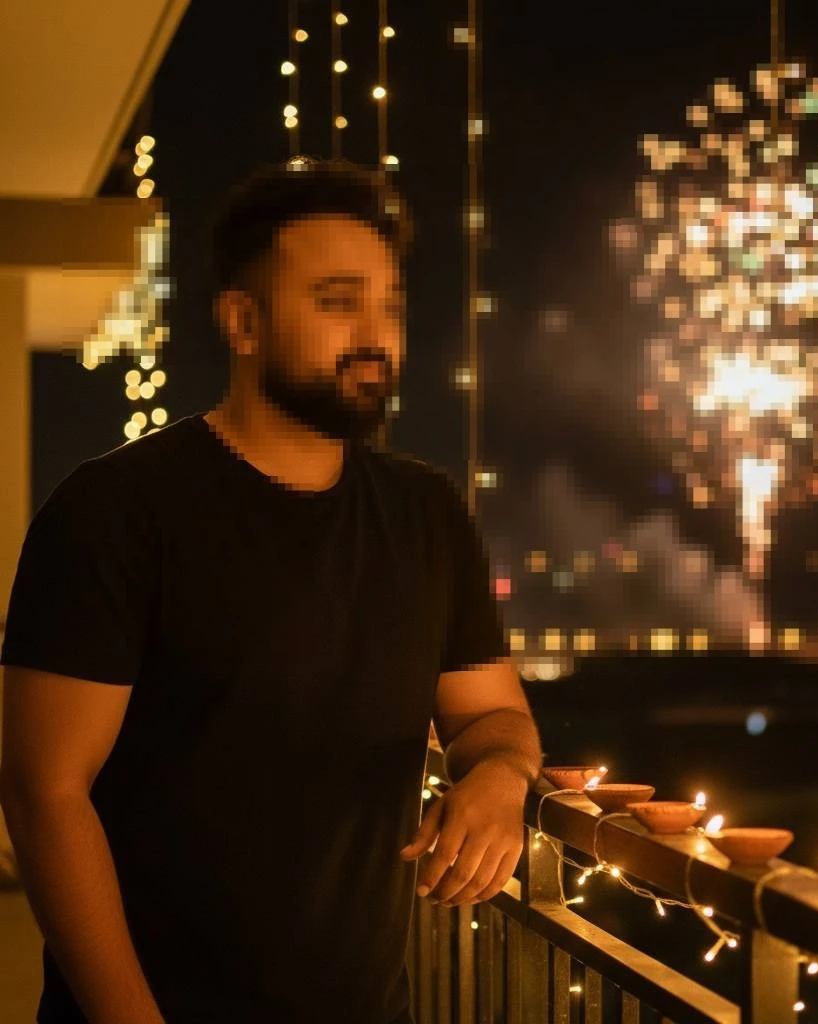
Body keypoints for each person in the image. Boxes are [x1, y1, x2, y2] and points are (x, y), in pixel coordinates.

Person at [0, 158, 542, 1024]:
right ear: (242, 322)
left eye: (389, 305)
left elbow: (492, 717)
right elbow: (43, 792)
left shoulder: (427, 515)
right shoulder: (117, 510)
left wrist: (503, 778)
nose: (375, 334)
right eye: (336, 302)